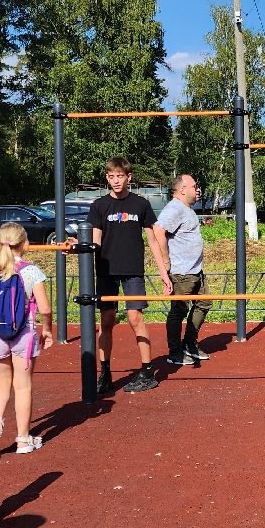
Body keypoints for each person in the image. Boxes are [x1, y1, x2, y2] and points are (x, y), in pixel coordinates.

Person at [89, 157, 171, 395]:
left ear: (128, 177)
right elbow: (95, 241)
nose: (116, 181)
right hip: (106, 271)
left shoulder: (140, 204)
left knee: (136, 318)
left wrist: (163, 272)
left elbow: (153, 241)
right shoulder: (99, 206)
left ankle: (147, 372)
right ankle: (105, 373)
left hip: (133, 271)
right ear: (107, 178)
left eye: (120, 176)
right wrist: (77, 247)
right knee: (106, 321)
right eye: (111, 177)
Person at [0, 222, 53, 451]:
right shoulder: (30, 271)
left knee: (0, 383)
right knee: (23, 386)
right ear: (25, 244)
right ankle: (23, 440)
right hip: (23, 334)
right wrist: (47, 330)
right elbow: (45, 308)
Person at [155, 173, 213, 367]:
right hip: (182, 272)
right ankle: (175, 351)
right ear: (182, 190)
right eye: (194, 186)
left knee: (204, 303)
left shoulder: (187, 209)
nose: (197, 190)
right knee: (178, 310)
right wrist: (165, 262)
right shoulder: (174, 208)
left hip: (196, 270)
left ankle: (189, 343)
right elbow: (158, 230)